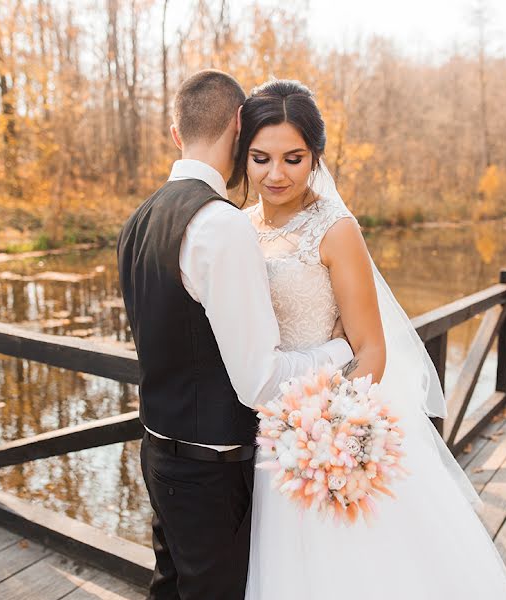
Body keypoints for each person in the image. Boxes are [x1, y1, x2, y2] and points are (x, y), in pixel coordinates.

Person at [230, 79, 506, 599]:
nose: (276, 174)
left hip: (316, 438)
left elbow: (370, 349)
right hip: (258, 432)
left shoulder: (335, 229)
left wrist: (328, 434)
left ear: (316, 157)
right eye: (261, 158)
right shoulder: (236, 228)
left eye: (293, 159)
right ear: (243, 156)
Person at [116, 70, 354, 600]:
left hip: (157, 452)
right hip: (210, 471)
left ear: (177, 133)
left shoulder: (140, 217)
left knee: (170, 588)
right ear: (241, 128)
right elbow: (260, 382)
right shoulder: (223, 225)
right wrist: (341, 348)